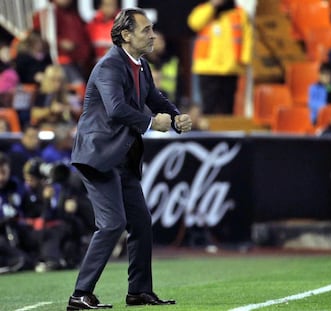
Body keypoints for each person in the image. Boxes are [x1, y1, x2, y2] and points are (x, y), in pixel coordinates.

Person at [66, 7, 192, 310]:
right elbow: (116, 109)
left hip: (121, 157)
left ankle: (139, 291)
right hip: (98, 155)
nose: (153, 35)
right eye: (146, 30)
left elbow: (156, 99)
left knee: (140, 223)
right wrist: (152, 124)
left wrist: (175, 118)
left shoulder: (140, 66)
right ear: (125, 35)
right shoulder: (109, 66)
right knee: (112, 224)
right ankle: (79, 295)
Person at [187, 0, 252, 114]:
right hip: (207, 68)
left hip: (230, 69)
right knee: (208, 107)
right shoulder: (203, 9)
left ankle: (226, 130)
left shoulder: (239, 13)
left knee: (227, 107)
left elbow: (248, 37)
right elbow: (194, 23)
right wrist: (212, 5)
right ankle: (207, 131)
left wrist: (245, 60)